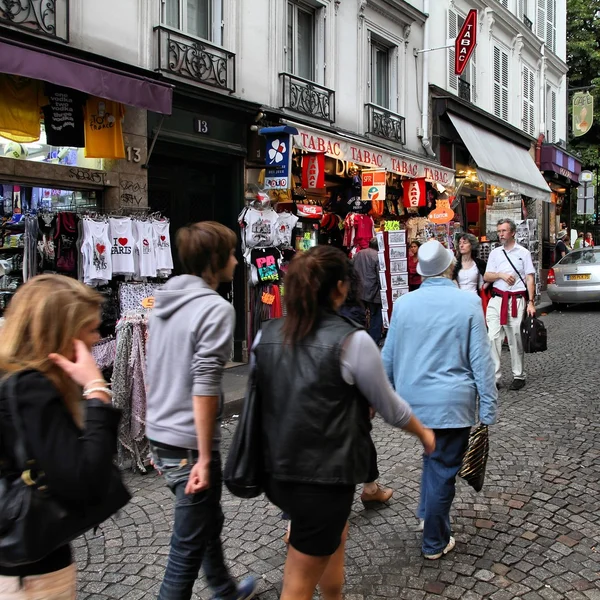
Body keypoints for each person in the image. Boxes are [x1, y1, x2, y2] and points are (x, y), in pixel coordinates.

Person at [254, 245, 435, 600]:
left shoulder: (266, 335)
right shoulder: (352, 341)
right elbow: (390, 407)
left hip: (279, 467)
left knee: (332, 543)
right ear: (340, 287)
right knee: (298, 583)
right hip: (322, 476)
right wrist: (424, 432)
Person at [146, 222, 256, 600]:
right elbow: (205, 385)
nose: (238, 261)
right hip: (187, 441)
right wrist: (205, 457)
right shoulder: (215, 309)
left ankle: (225, 589)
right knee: (185, 550)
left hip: (159, 429)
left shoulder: (165, 298)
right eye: (231, 254)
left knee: (207, 516)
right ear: (215, 261)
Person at [0, 275, 125, 599]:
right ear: (61, 334)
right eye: (90, 330)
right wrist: (97, 392)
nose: (98, 339)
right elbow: (83, 479)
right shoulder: (31, 388)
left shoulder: (13, 377)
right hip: (31, 572)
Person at [381, 241, 497, 560]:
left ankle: (425, 514)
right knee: (444, 466)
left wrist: (382, 399)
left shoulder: (404, 304)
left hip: (413, 404)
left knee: (434, 457)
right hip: (451, 404)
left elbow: (387, 357)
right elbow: (481, 361)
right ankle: (434, 540)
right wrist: (487, 409)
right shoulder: (468, 302)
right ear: (450, 267)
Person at [338, 262, 393, 506]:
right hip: (341, 388)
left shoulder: (309, 313)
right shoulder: (351, 313)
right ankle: (369, 488)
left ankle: (370, 487)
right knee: (356, 435)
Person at [484, 218, 536, 391]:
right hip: (497, 299)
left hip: (516, 300)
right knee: (492, 337)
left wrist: (531, 302)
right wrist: (500, 275)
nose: (500, 234)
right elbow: (486, 276)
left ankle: (519, 375)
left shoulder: (523, 253)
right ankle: (495, 378)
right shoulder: (495, 253)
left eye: (504, 231)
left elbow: (530, 278)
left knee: (515, 338)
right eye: (499, 231)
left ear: (512, 232)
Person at [352, 238, 382, 343]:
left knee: (359, 314)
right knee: (376, 315)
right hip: (373, 291)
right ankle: (373, 340)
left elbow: (351, 269)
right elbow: (380, 276)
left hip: (359, 290)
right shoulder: (378, 256)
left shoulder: (358, 254)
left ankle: (358, 337)